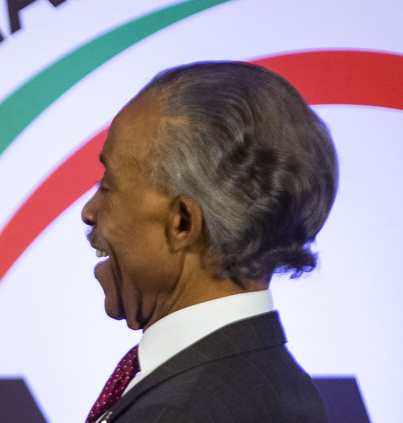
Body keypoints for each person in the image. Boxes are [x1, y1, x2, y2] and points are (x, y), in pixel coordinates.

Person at [81, 61, 336, 422]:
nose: (90, 212)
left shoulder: (181, 412)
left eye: (108, 186)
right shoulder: (278, 386)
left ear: (182, 223)